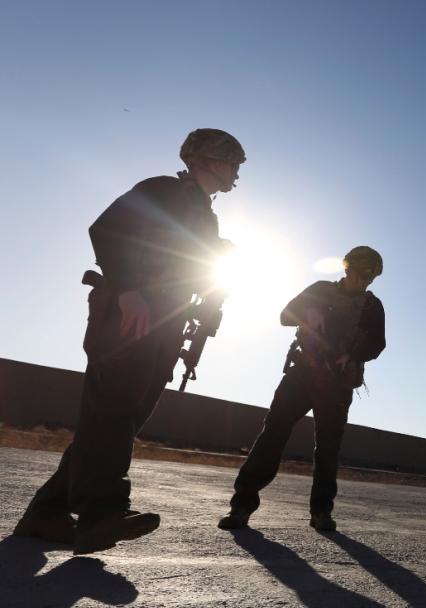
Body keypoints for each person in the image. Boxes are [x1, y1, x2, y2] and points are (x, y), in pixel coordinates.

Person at [14, 129, 245, 554]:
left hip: (164, 322)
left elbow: (197, 268)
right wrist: (128, 289)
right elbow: (107, 229)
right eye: (233, 162)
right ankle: (104, 513)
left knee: (116, 420)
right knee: (114, 412)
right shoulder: (163, 190)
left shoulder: (203, 214)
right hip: (132, 313)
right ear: (210, 160)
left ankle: (45, 514)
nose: (237, 172)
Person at [218, 246, 386, 533]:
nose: (365, 282)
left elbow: (377, 343)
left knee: (328, 449)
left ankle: (321, 512)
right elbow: (285, 315)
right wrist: (308, 311)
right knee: (273, 433)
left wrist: (353, 355)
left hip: (337, 382)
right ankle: (242, 505)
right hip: (303, 373)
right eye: (362, 275)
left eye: (371, 278)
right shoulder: (320, 289)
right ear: (347, 269)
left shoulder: (372, 306)